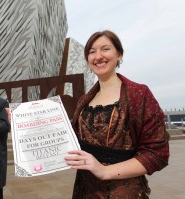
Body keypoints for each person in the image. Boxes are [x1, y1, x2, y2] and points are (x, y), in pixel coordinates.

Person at [64, 30, 170, 198]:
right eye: (92, 52)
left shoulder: (139, 94)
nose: (98, 56)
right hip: (84, 191)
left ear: (119, 55)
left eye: (105, 49)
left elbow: (156, 154)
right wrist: (21, 121)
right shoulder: (84, 100)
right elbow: (68, 138)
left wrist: (105, 171)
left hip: (122, 192)